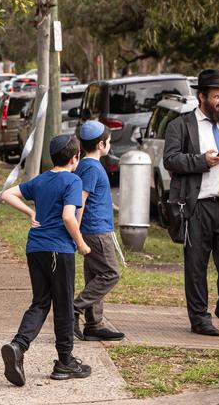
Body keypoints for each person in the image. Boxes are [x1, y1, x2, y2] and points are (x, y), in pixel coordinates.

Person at [163, 69, 219, 336]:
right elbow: (170, 160)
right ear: (202, 97)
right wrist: (202, 161)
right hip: (196, 207)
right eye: (217, 97)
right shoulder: (180, 126)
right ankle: (199, 318)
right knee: (195, 266)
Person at [0, 134, 92, 387]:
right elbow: (68, 216)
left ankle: (18, 346)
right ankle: (65, 362)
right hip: (58, 250)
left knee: (40, 302)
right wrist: (82, 245)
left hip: (35, 248)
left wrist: (31, 211)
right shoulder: (73, 180)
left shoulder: (40, 180)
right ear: (75, 158)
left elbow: (7, 194)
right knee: (63, 306)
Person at [73, 121, 125, 341]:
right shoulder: (93, 168)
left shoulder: (85, 165)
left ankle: (94, 324)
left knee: (95, 275)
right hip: (96, 230)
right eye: (110, 141)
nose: (110, 145)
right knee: (110, 273)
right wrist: (76, 234)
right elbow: (81, 201)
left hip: (95, 228)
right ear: (102, 144)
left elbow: (94, 196)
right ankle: (74, 309)